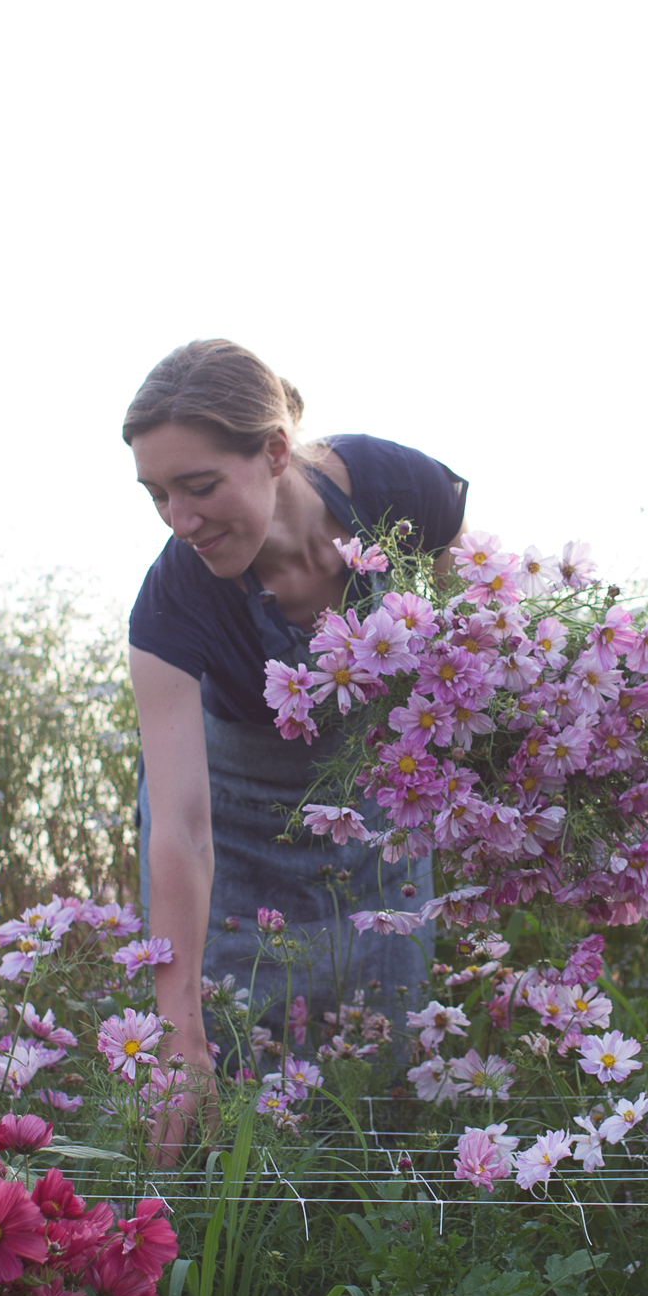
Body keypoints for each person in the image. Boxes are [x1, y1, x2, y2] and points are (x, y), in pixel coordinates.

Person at [123, 339, 468, 1097]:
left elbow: (477, 632)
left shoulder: (398, 490)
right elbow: (180, 827)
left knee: (380, 1065)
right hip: (236, 834)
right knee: (239, 1053)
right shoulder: (172, 602)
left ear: (275, 451)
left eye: (200, 486)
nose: (179, 519)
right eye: (156, 494)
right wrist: (179, 1039)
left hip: (372, 812)